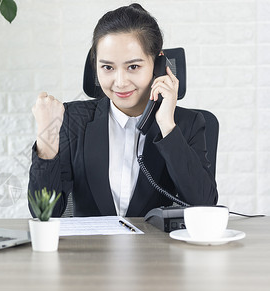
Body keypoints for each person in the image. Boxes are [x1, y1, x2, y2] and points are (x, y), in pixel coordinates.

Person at [28, 3, 218, 217]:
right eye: (107, 67)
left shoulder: (186, 124)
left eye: (133, 67)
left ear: (158, 64)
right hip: (92, 249)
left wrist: (166, 125)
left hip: (157, 250)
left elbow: (205, 207)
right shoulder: (73, 120)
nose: (120, 82)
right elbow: (43, 213)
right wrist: (46, 139)